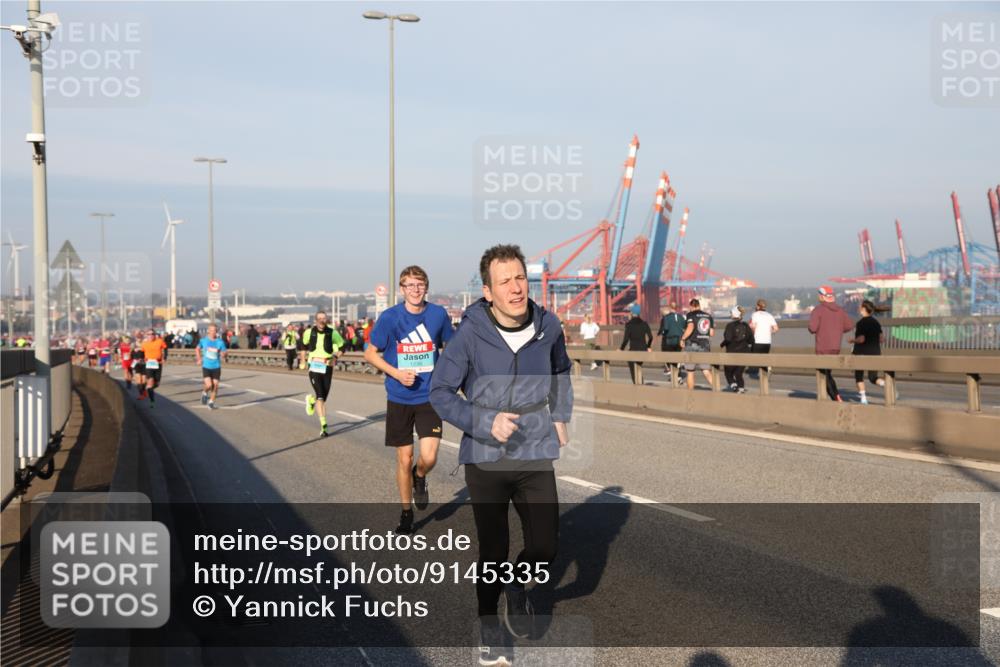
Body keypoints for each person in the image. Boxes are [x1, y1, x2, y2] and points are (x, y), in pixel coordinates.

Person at [430, 244, 571, 665]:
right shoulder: (470, 334)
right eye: (504, 281)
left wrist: (560, 414)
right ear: (488, 292)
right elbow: (440, 391)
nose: (515, 288)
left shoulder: (549, 326)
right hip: (486, 456)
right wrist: (483, 421)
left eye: (520, 278)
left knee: (545, 546)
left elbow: (561, 370)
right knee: (493, 551)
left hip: (534, 449)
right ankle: (489, 628)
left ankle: (516, 580)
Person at [365, 265, 454, 535]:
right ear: (402, 289)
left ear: (426, 287)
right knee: (405, 458)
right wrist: (396, 373)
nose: (415, 290)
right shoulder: (390, 317)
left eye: (420, 284)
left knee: (429, 457)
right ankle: (406, 513)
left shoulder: (437, 314)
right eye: (410, 285)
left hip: (429, 396)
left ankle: (420, 475)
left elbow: (452, 347)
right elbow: (370, 354)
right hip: (399, 397)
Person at [301, 311, 344, 437]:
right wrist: (303, 360)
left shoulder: (332, 333)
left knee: (323, 397)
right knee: (320, 396)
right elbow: (303, 346)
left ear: (326, 320)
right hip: (314, 366)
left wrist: (335, 357)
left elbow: (342, 347)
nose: (322, 320)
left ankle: (311, 401)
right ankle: (323, 426)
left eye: (324, 318)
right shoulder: (309, 332)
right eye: (319, 318)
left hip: (327, 366)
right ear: (316, 320)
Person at [808, 285, 854, 402]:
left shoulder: (818, 310)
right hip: (836, 347)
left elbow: (812, 328)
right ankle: (834, 396)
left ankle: (835, 397)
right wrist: (837, 329)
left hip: (823, 348)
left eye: (819, 295)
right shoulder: (840, 310)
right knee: (827, 373)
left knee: (824, 375)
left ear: (823, 296)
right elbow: (849, 326)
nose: (818, 297)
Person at [851, 300, 893, 405]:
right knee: (872, 377)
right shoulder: (876, 322)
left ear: (863, 309)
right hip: (875, 353)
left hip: (861, 353)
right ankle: (888, 386)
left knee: (859, 376)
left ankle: (863, 399)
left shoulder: (860, 323)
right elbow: (882, 339)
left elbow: (861, 339)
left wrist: (852, 340)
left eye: (860, 306)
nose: (858, 308)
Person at [680, 298, 715, 390]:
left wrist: (682, 339)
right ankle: (717, 390)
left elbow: (690, 328)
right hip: (705, 345)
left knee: (690, 371)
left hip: (691, 345)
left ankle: (690, 394)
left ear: (691, 306)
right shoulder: (708, 316)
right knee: (706, 370)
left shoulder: (690, 315)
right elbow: (712, 333)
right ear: (699, 305)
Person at [721, 307, 753, 393]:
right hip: (744, 352)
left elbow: (727, 339)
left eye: (731, 313)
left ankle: (734, 385)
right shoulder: (746, 325)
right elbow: (751, 340)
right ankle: (741, 388)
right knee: (738, 373)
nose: (730, 314)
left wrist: (722, 344)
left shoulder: (730, 325)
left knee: (728, 372)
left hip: (732, 352)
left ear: (734, 314)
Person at [196, 323, 228, 409]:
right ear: (208, 331)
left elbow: (225, 352)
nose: (213, 332)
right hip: (206, 366)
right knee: (209, 385)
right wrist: (199, 358)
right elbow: (197, 348)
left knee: (215, 385)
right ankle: (204, 392)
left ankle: (211, 402)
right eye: (211, 330)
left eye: (215, 331)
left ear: (216, 331)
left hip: (216, 366)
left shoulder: (220, 342)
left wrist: (224, 354)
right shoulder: (203, 340)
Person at [619, 303, 652, 384]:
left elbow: (626, 339)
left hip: (633, 350)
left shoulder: (629, 325)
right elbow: (651, 337)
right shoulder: (644, 323)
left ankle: (637, 384)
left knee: (632, 365)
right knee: (638, 365)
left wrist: (621, 349)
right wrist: (648, 347)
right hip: (643, 350)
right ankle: (640, 383)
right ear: (639, 313)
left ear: (631, 312)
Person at [748, 299, 779, 379]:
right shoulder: (769, 315)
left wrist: (752, 330)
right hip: (767, 341)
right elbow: (776, 329)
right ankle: (766, 370)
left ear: (758, 306)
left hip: (758, 340)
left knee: (756, 358)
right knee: (764, 358)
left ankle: (764, 370)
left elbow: (753, 326)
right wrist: (769, 332)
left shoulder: (755, 314)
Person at [657, 301, 686, 378]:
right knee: (677, 356)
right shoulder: (681, 317)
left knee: (669, 357)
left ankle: (672, 372)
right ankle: (678, 374)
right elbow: (684, 327)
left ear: (670, 307)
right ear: (677, 308)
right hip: (679, 340)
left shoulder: (667, 317)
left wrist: (662, 333)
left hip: (670, 340)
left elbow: (666, 329)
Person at [141, 329, 168, 407]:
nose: (150, 335)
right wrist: (142, 359)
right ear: (146, 335)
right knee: (150, 382)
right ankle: (152, 401)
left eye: (152, 334)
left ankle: (148, 389)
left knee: (157, 383)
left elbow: (165, 349)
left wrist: (164, 358)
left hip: (158, 363)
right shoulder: (144, 343)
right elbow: (142, 353)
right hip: (149, 364)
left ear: (155, 334)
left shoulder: (160, 341)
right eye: (149, 334)